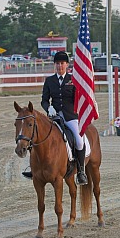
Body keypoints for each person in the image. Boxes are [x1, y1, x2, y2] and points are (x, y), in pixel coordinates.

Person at [35, 51, 88, 185]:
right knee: (37, 136)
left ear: (67, 65)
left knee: (79, 140)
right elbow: (44, 100)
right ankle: (35, 169)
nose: (59, 66)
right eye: (57, 64)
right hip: (54, 117)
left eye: (62, 64)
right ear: (55, 65)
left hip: (70, 116)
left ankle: (81, 171)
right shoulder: (49, 81)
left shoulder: (73, 79)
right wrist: (49, 108)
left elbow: (78, 99)